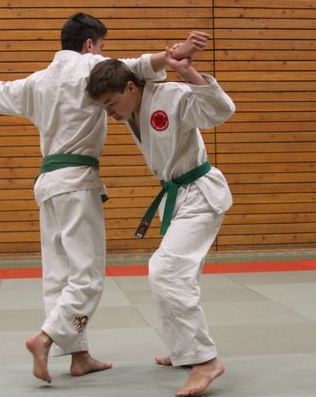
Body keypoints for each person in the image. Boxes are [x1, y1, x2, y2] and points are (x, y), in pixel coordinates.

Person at [0, 12, 209, 384]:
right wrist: (172, 54)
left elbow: (1, 90)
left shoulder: (38, 80)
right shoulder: (91, 68)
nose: (104, 54)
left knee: (58, 274)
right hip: (76, 183)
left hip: (47, 184)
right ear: (90, 44)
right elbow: (136, 67)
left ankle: (79, 356)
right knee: (87, 275)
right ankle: (47, 337)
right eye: (102, 47)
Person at [86, 50, 235, 396]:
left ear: (130, 88)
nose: (109, 113)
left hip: (200, 194)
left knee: (166, 271)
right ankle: (185, 350)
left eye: (111, 104)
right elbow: (128, 66)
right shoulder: (133, 106)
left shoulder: (170, 96)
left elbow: (221, 110)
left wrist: (188, 72)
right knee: (179, 276)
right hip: (178, 196)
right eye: (103, 107)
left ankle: (205, 361)